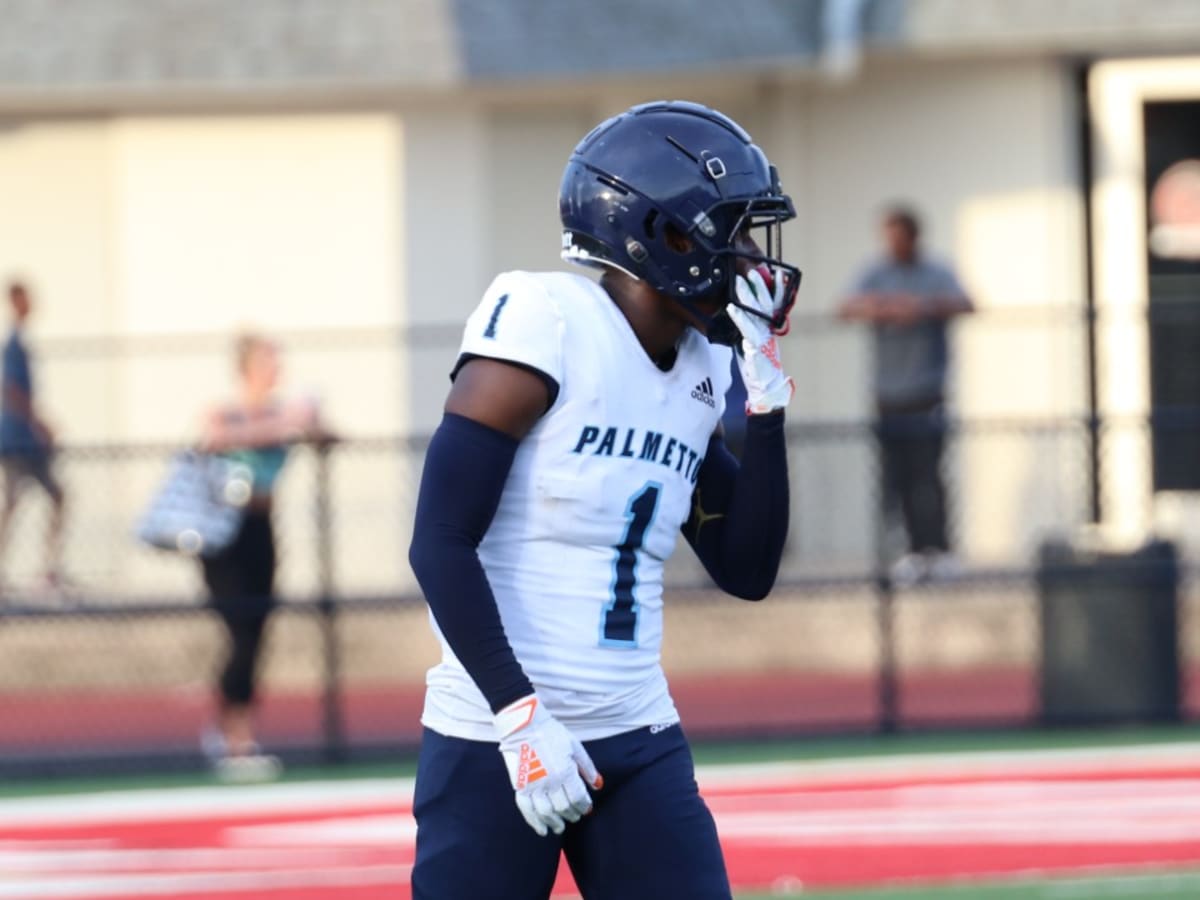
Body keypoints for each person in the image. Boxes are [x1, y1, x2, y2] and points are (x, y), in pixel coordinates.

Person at [408, 101, 798, 900]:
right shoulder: (545, 321)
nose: (752, 259)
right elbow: (439, 539)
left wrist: (765, 408)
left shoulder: (696, 367)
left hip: (635, 731)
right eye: (733, 230)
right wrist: (519, 719)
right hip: (498, 733)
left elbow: (747, 568)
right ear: (665, 233)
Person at [199, 332, 324, 781]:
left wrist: (311, 420)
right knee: (241, 632)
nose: (276, 366)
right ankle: (234, 737)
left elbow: (325, 434)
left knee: (258, 629)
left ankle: (232, 728)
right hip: (223, 535)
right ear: (247, 365)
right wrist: (282, 425)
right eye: (267, 359)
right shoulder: (227, 411)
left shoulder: (285, 412)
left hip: (262, 529)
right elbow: (212, 437)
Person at [838, 205, 973, 585]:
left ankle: (940, 551)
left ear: (914, 237)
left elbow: (967, 303)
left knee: (929, 477)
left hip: (927, 391)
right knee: (896, 480)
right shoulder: (876, 273)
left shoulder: (936, 272)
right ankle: (910, 553)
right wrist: (884, 309)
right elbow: (845, 307)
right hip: (888, 394)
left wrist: (922, 308)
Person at [0, 281, 67, 596]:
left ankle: (49, 569)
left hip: (23, 438)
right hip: (18, 439)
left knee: (34, 501)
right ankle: (47, 570)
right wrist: (39, 423)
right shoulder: (13, 344)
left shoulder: (21, 341)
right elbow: (12, 391)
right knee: (21, 503)